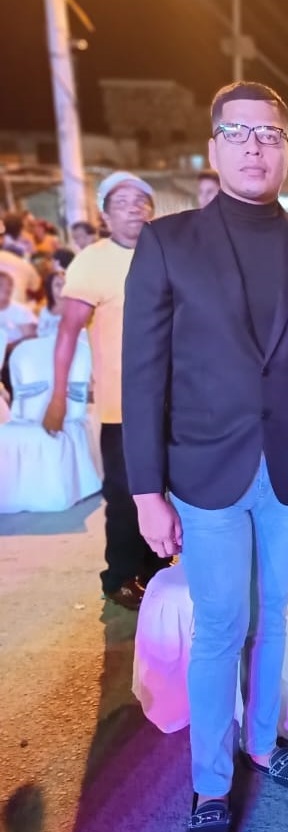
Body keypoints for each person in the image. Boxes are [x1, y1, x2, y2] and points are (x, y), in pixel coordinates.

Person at [123, 81, 288, 832]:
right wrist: (146, 490)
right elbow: (142, 374)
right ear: (213, 147)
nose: (254, 146)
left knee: (275, 612)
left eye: (268, 134)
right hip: (205, 471)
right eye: (238, 133)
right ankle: (211, 784)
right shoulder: (168, 243)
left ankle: (262, 743)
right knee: (220, 625)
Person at [41, 171, 165, 611]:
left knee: (164, 492)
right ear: (105, 215)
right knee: (127, 495)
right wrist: (58, 396)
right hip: (121, 406)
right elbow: (67, 333)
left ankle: (156, 570)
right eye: (122, 203)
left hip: (171, 403)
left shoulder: (166, 253)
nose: (134, 209)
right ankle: (119, 577)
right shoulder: (92, 261)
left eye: (141, 201)